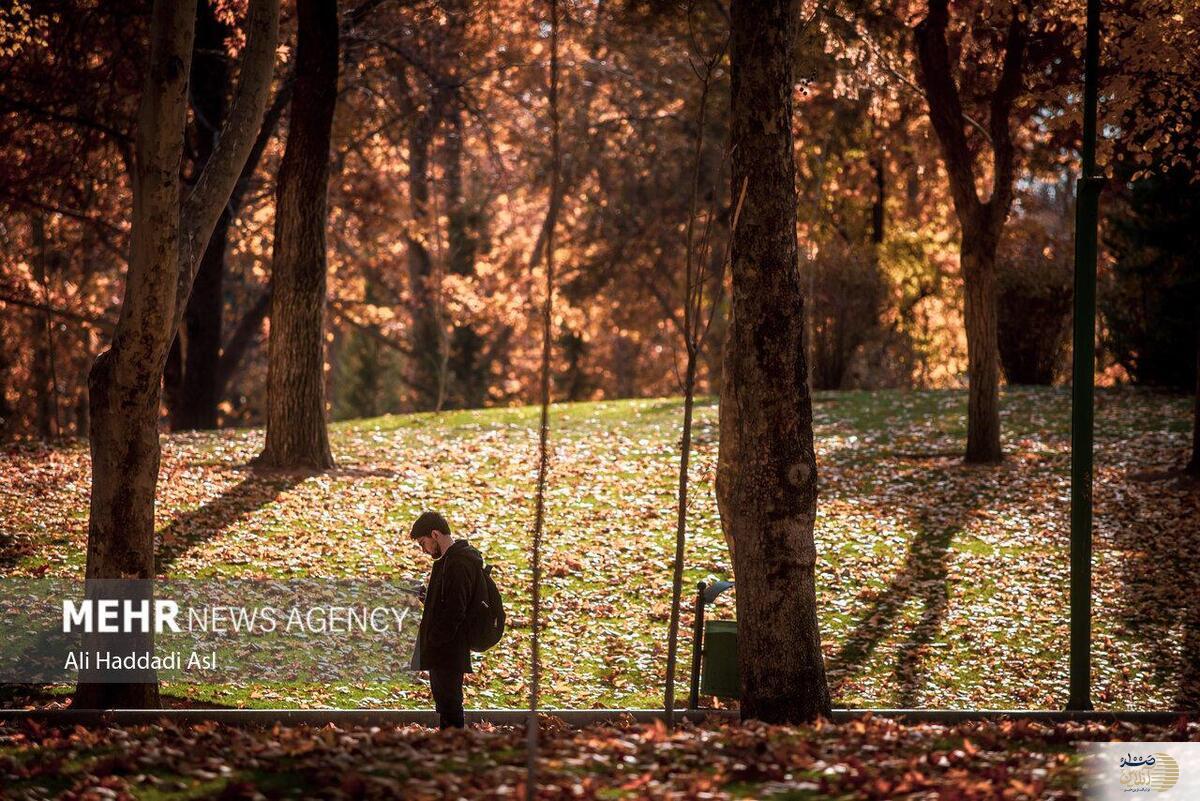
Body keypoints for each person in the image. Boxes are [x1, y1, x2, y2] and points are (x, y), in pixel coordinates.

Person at [409, 511, 483, 730]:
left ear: (435, 534)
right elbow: (447, 602)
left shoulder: (458, 564)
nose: (424, 550)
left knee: (450, 706)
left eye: (424, 543)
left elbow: (455, 610)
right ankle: (450, 748)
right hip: (446, 648)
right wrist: (425, 595)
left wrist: (434, 638)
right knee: (445, 705)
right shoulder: (451, 561)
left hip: (449, 649)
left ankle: (454, 749)